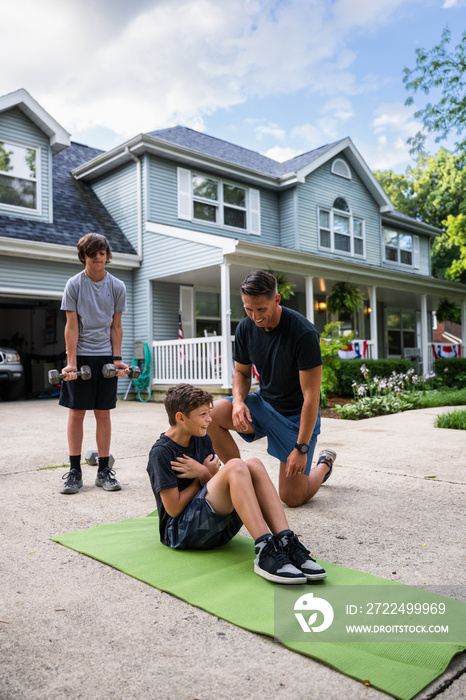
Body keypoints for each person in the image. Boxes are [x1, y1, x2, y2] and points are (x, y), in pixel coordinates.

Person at [146, 384, 327, 584]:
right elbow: (173, 509)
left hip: (213, 528)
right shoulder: (161, 453)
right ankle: (264, 550)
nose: (209, 419)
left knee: (254, 465)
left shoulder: (202, 438)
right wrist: (202, 474)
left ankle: (286, 541)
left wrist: (206, 475)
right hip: (180, 534)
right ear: (181, 418)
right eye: (203, 414)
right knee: (235, 467)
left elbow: (212, 486)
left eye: (209, 413)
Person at [208, 270, 336, 508]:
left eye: (261, 309)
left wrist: (301, 447)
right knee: (211, 414)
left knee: (292, 498)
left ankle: (324, 464)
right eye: (248, 309)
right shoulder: (245, 329)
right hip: (265, 406)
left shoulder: (303, 333)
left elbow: (311, 397)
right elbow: (242, 373)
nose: (255, 317)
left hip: (296, 418)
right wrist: (238, 402)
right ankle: (241, 478)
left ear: (276, 300)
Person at [58, 232, 128, 495]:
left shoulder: (117, 286)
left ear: (107, 256)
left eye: (102, 253)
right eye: (92, 254)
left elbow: (116, 325)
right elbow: (72, 326)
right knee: (76, 413)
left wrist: (117, 358)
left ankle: (103, 471)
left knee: (103, 413)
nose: (98, 258)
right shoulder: (74, 285)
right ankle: (74, 472)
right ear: (83, 257)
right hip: (82, 354)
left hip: (106, 357)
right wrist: (72, 363)